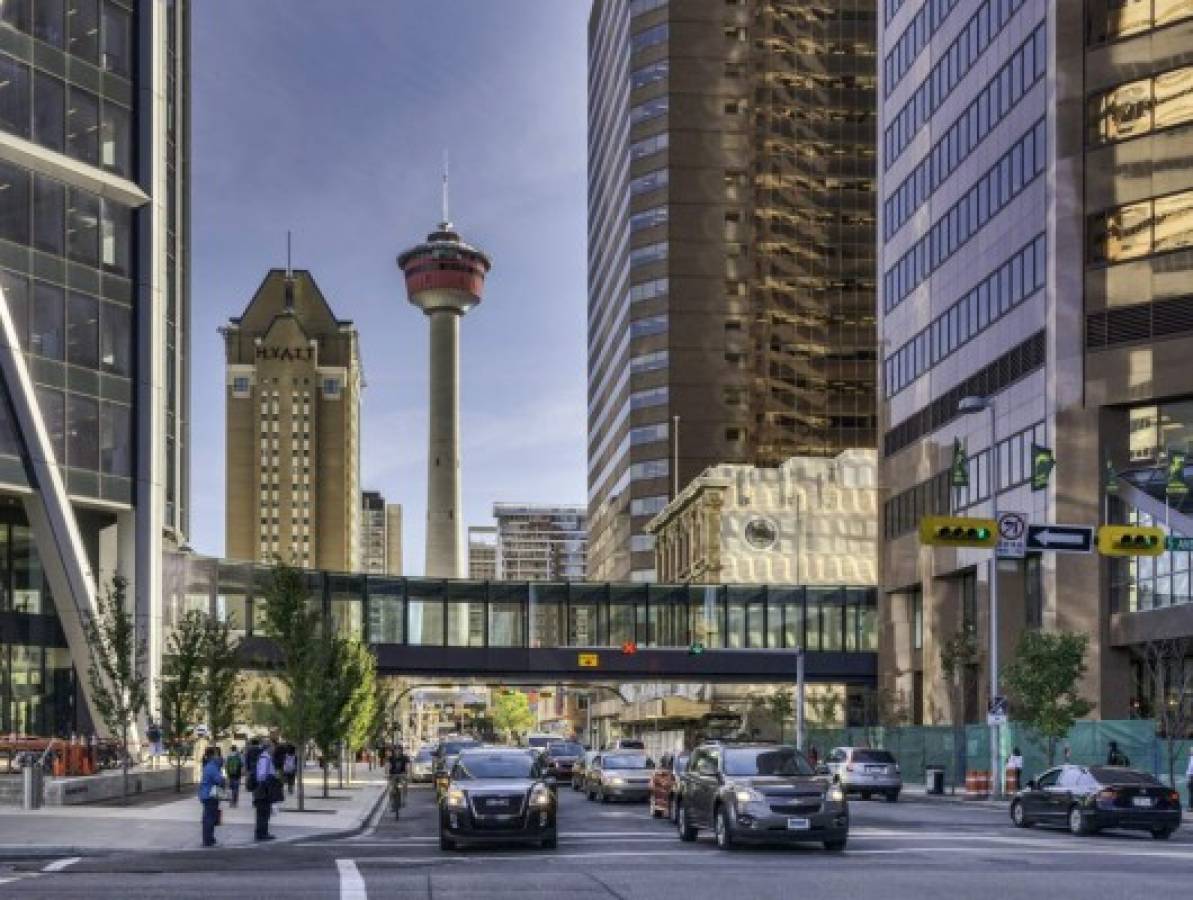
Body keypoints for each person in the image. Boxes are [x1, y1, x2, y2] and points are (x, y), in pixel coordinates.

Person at [198, 746, 226, 848]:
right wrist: (223, 780)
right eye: (216, 754)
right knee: (209, 818)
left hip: (207, 794)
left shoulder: (209, 766)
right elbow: (219, 780)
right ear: (212, 755)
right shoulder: (212, 767)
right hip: (210, 795)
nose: (218, 756)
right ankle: (208, 839)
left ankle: (209, 838)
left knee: (209, 817)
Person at [253, 739, 279, 841]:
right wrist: (270, 780)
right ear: (268, 747)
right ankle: (261, 833)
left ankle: (262, 832)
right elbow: (262, 775)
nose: (274, 749)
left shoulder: (265, 758)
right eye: (272, 747)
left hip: (263, 787)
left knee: (264, 812)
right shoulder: (265, 758)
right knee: (263, 812)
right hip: (264, 788)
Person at [1185, 746, 1193, 813]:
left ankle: (1190, 807)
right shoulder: (1191, 759)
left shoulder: (1192, 759)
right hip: (1191, 777)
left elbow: (1190, 770)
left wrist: (1189, 778)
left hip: (1191, 777)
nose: (1189, 752)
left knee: (1191, 792)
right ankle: (1190, 807)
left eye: (1190, 751)